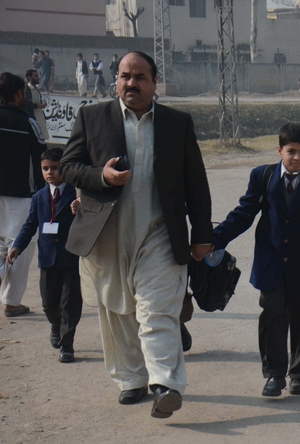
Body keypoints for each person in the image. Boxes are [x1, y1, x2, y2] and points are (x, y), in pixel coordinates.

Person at [60, 51, 214, 418]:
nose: (131, 83)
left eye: (140, 77)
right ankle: (131, 379)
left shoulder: (177, 123)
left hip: (160, 234)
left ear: (154, 82)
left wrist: (202, 234)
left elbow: (196, 182)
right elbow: (68, 167)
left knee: (157, 310)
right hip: (108, 235)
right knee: (118, 310)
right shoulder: (92, 117)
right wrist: (101, 176)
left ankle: (165, 384)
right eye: (125, 76)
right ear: (116, 80)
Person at [213, 123, 300, 397]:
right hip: (271, 263)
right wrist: (214, 240)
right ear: (279, 150)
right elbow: (243, 214)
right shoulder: (263, 177)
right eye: (291, 151)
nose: (297, 158)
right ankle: (274, 375)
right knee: (272, 316)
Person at [6, 148, 82, 363]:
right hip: (48, 258)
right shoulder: (39, 197)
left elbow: (89, 221)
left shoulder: (77, 194)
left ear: (65, 168)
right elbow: (30, 224)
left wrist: (81, 208)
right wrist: (17, 246)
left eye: (55, 168)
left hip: (71, 257)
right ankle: (55, 326)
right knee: (49, 302)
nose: (50, 172)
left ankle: (67, 346)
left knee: (69, 303)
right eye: (45, 168)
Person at [0, 72, 47, 318]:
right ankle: (11, 302)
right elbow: (43, 161)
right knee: (21, 246)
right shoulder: (28, 123)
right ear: (19, 94)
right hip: (21, 196)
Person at [24, 69, 50, 141]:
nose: (38, 78)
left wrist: (41, 105)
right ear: (29, 77)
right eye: (35, 76)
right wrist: (37, 105)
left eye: (38, 76)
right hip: (32, 120)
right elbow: (26, 104)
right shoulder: (27, 89)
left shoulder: (36, 89)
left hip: (39, 119)